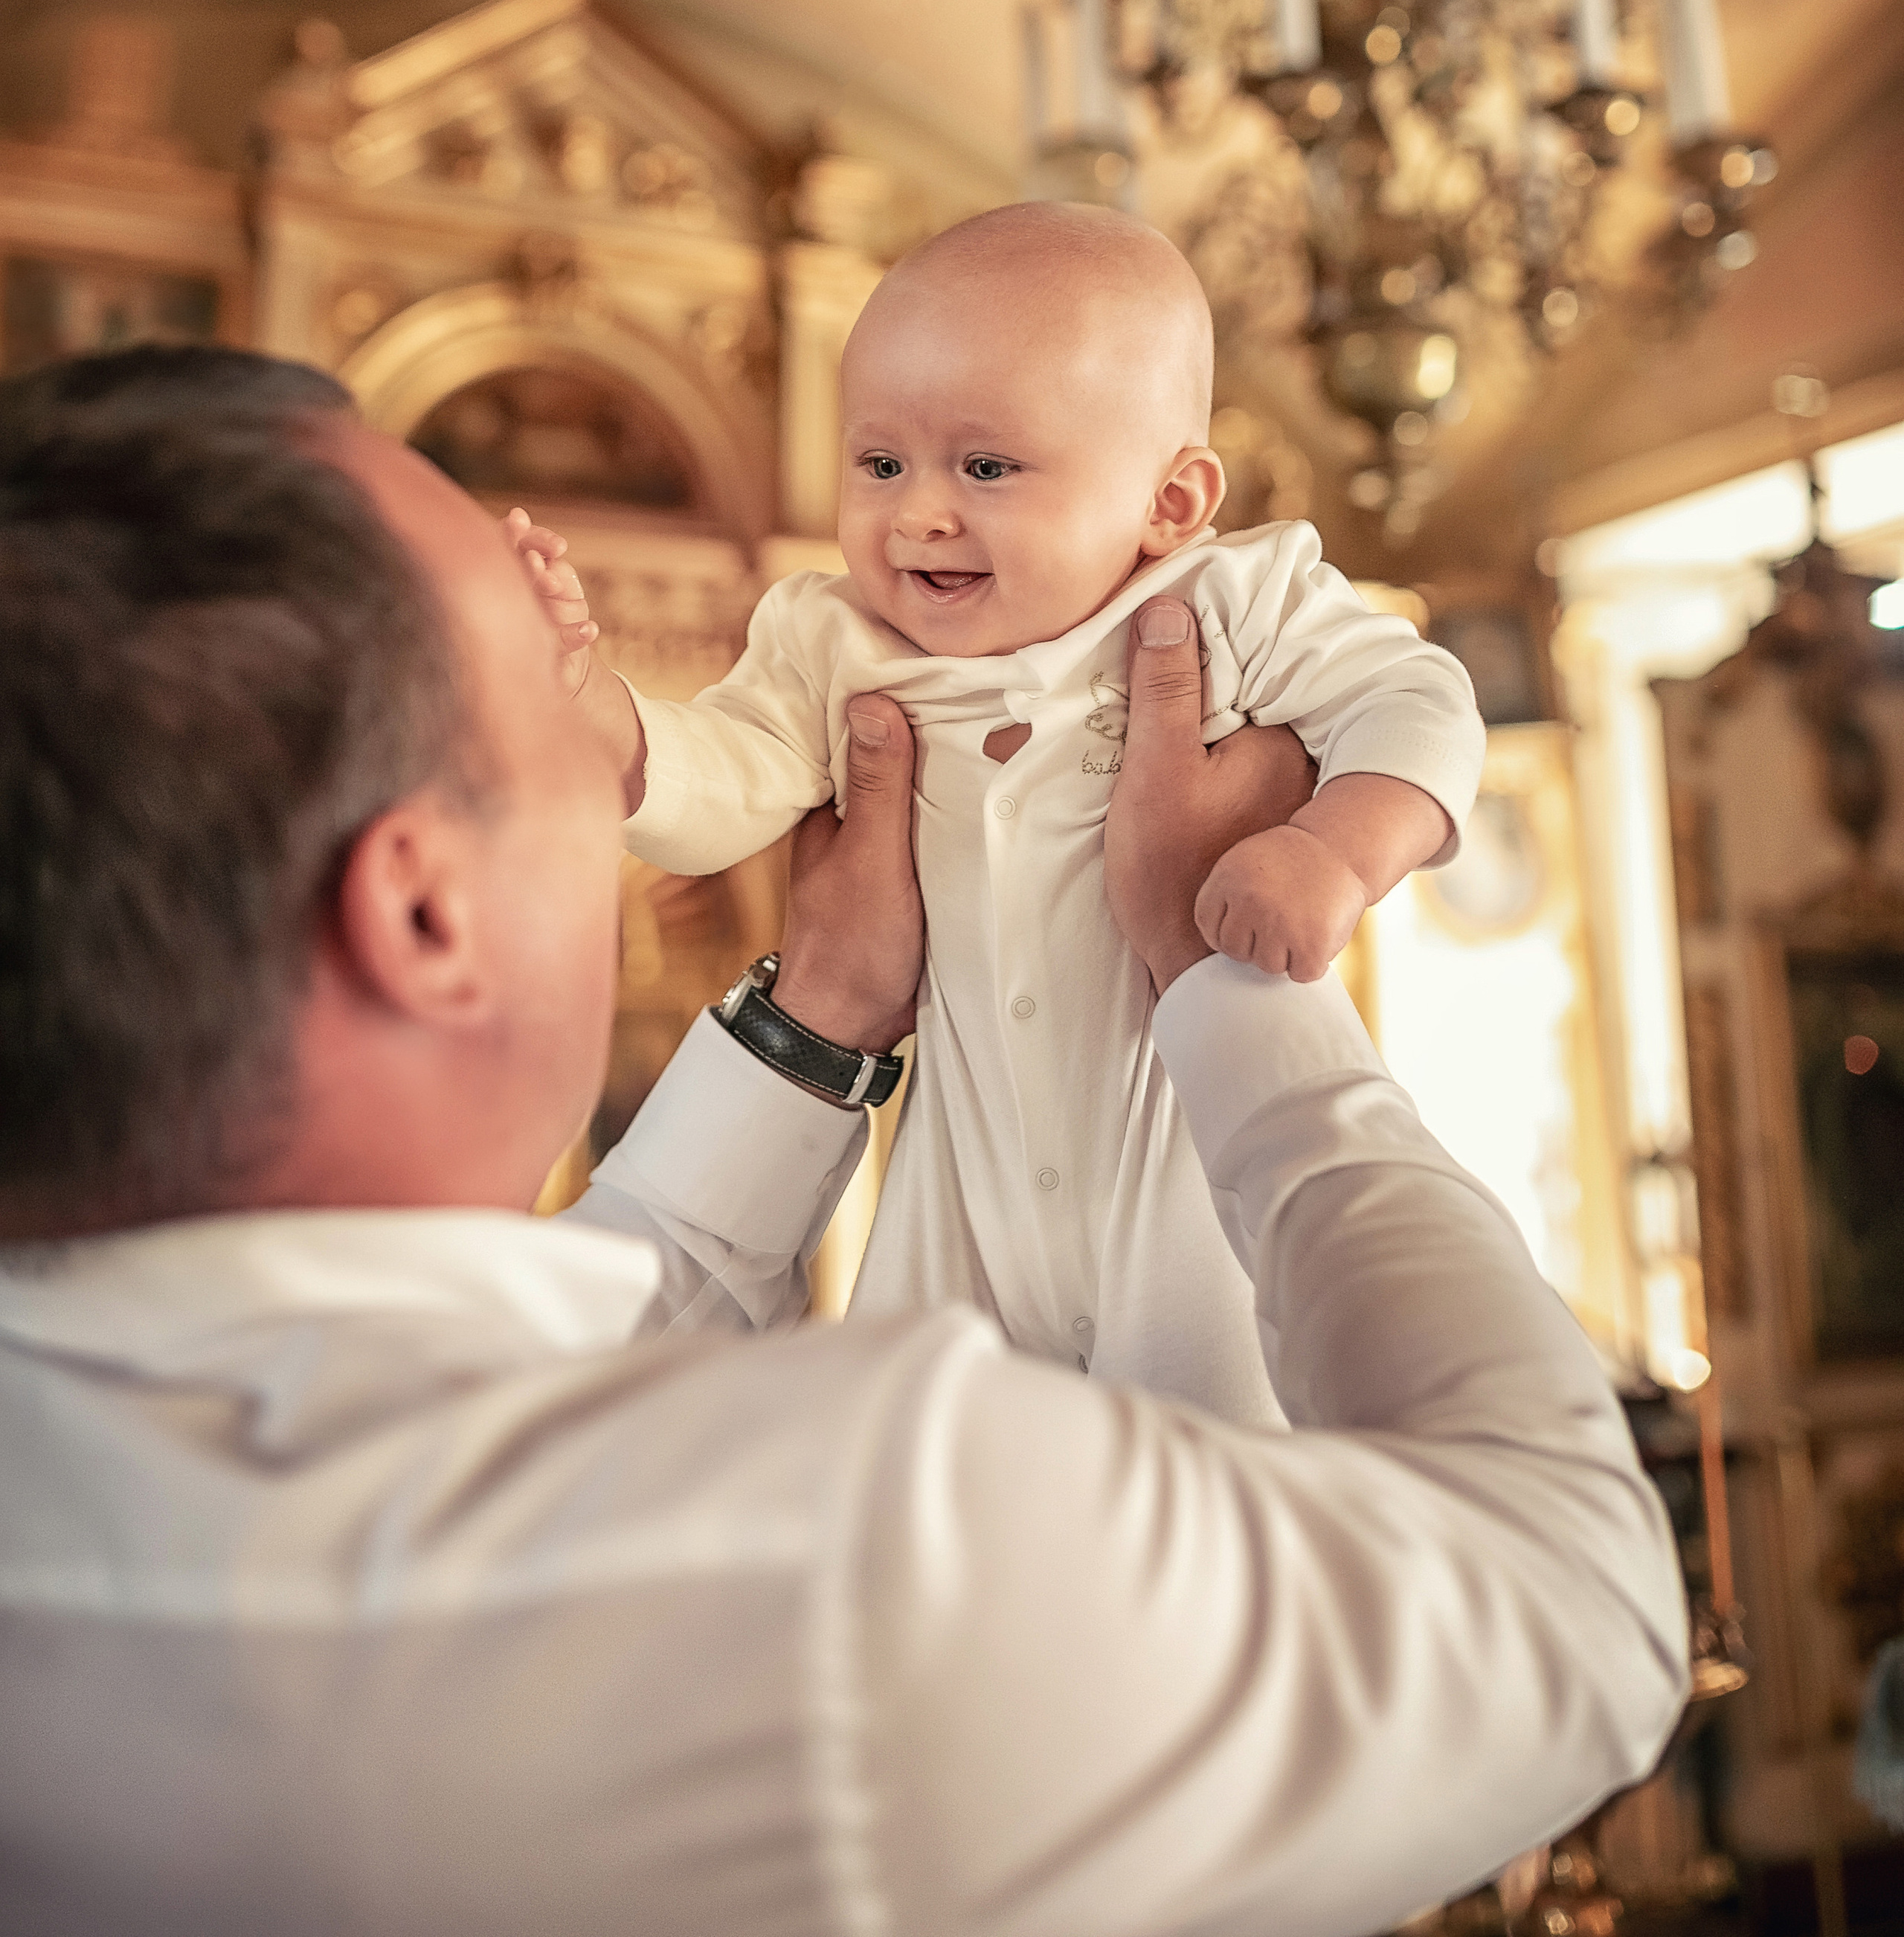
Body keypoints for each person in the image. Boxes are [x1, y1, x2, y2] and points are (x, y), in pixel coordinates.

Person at [0, 345, 1686, 1937]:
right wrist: (1228, 993)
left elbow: (552, 1366)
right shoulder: (853, 1550)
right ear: (424, 913)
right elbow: (1577, 1609)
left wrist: (816, 1024)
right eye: (547, 712)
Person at [513, 201, 1485, 1419]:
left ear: (1171, 502)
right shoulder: (834, 641)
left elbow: (1418, 702)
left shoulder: (1236, 601)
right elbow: (727, 780)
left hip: (1181, 1164)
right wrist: (598, 717)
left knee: (1225, 1444)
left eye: (985, 468)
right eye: (880, 465)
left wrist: (1334, 851)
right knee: (925, 1443)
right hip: (958, 1185)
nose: (918, 514)